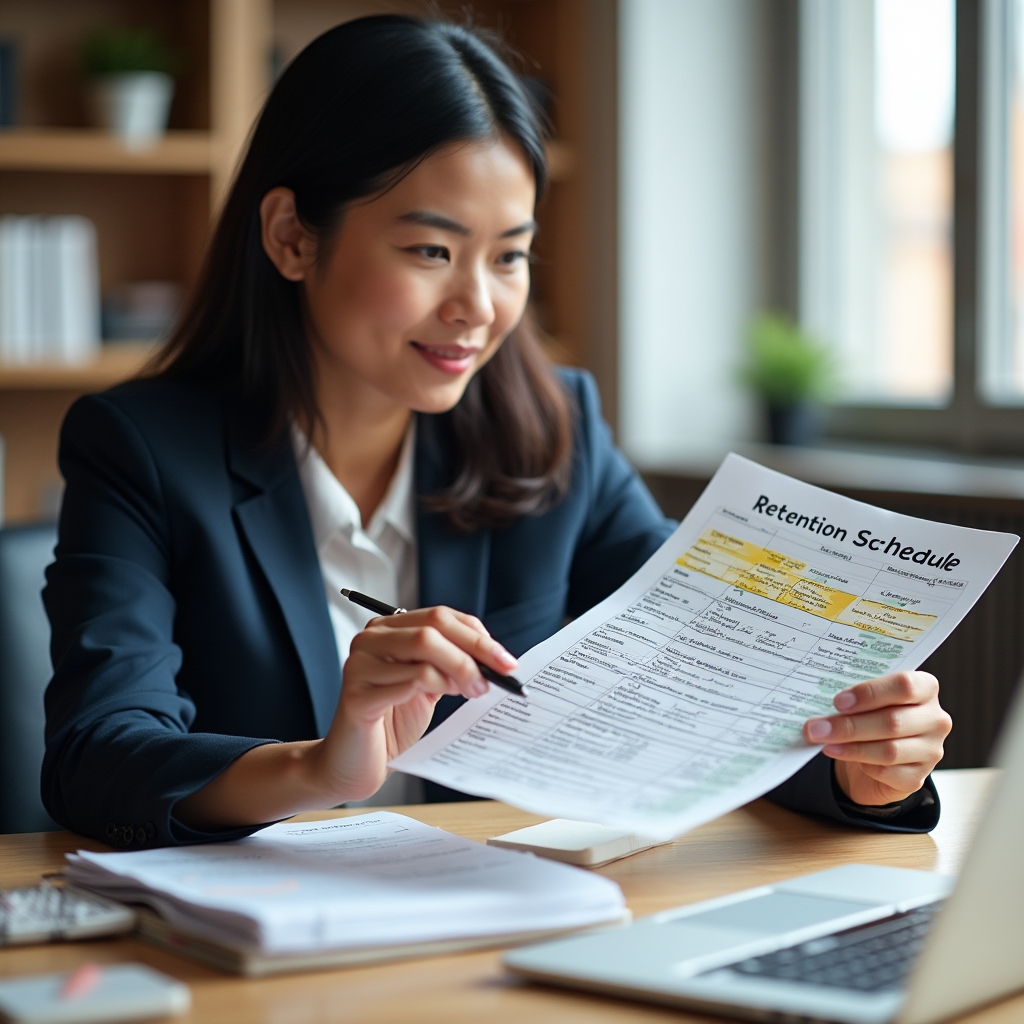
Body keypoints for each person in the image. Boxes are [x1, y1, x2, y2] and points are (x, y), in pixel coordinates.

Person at [41, 16, 951, 848]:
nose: (478, 307)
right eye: (431, 250)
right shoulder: (141, 450)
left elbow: (706, 694)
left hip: (498, 937)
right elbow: (96, 757)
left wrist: (867, 770)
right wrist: (318, 766)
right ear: (291, 237)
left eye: (509, 254)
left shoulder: (556, 433)